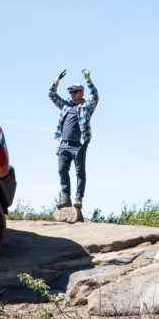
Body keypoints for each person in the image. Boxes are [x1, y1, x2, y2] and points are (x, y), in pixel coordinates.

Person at [49, 68, 99, 212]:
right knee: (62, 170)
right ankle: (66, 199)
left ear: (81, 93)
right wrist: (56, 81)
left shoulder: (86, 107)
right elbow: (51, 95)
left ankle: (78, 199)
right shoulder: (66, 105)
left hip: (79, 144)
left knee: (79, 172)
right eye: (71, 92)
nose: (72, 94)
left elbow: (95, 97)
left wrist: (88, 81)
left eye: (75, 92)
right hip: (64, 143)